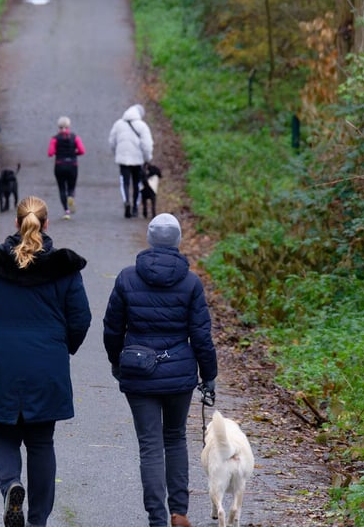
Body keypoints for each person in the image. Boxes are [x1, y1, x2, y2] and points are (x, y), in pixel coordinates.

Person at [0, 196, 92, 527]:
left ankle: (11, 485)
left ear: (15, 224)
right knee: (41, 441)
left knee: (2, 435)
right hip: (46, 365)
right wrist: (61, 349)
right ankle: (37, 521)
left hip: (1, 361)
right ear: (46, 224)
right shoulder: (63, 267)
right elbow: (80, 318)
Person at [102, 213, 217, 527]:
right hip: (179, 373)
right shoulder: (191, 282)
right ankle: (179, 511)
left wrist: (116, 361)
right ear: (177, 242)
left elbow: (112, 328)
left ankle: (157, 518)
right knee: (176, 438)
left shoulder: (127, 278)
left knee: (150, 444)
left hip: (139, 373)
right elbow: (201, 335)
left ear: (150, 240)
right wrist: (209, 376)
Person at [108, 103, 153, 218]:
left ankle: (126, 201)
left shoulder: (118, 124)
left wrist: (116, 153)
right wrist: (147, 158)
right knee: (137, 183)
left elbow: (112, 141)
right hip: (138, 160)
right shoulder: (142, 126)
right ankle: (135, 208)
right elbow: (147, 144)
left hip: (123, 159)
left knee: (125, 182)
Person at [47, 116, 86, 220]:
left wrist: (57, 152)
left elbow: (50, 153)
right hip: (72, 165)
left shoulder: (54, 139)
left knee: (61, 188)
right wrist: (74, 153)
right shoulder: (75, 137)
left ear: (58, 127)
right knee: (71, 186)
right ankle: (71, 197)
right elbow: (82, 151)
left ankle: (66, 211)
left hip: (59, 165)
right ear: (69, 126)